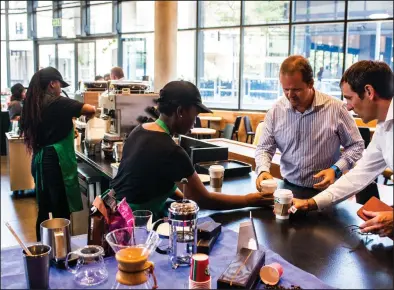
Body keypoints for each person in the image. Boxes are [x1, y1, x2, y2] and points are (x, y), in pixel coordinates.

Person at [110, 80, 271, 219]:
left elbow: (154, 178)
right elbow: (205, 200)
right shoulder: (171, 150)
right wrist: (249, 200)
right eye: (195, 115)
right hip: (134, 221)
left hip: (113, 209)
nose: (195, 122)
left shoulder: (139, 130)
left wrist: (185, 197)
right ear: (180, 111)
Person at [291, 60, 393, 238]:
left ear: (369, 92)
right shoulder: (384, 127)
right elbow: (359, 175)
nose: (348, 106)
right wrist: (311, 203)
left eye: (349, 98)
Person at [255, 55, 364, 193]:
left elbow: (356, 145)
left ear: (311, 83)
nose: (290, 95)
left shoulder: (336, 109)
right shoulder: (276, 111)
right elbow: (264, 147)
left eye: (296, 89)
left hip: (327, 191)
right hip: (288, 186)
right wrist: (263, 169)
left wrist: (336, 169)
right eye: (285, 89)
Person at [20, 67, 96, 241]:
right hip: (55, 161)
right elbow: (90, 109)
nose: (61, 89)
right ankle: (62, 252)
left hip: (39, 159)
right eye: (60, 84)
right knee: (61, 210)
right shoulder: (59, 102)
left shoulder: (33, 104)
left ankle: (44, 249)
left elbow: (49, 127)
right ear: (52, 84)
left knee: (44, 208)